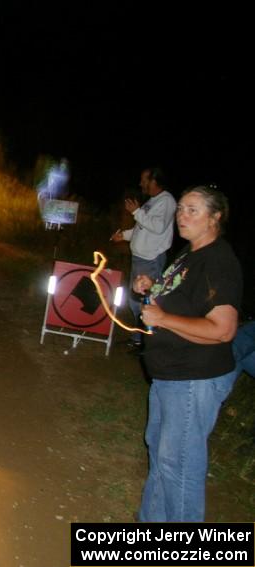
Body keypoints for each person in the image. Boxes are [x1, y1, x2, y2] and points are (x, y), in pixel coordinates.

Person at [133, 185, 242, 522]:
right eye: (180, 208)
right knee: (162, 458)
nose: (182, 215)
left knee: (178, 467)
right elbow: (185, 298)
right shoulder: (189, 254)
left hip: (195, 379)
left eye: (192, 210)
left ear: (215, 217)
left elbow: (223, 329)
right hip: (170, 375)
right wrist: (152, 289)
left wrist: (164, 318)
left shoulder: (219, 261)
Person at [111, 167, 176, 346]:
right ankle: (139, 338)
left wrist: (136, 212)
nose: (141, 183)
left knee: (146, 302)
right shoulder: (153, 202)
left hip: (151, 260)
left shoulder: (167, 201)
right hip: (140, 258)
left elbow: (158, 227)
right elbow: (142, 229)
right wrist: (123, 236)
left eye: (144, 179)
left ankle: (148, 342)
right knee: (134, 301)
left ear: (154, 181)